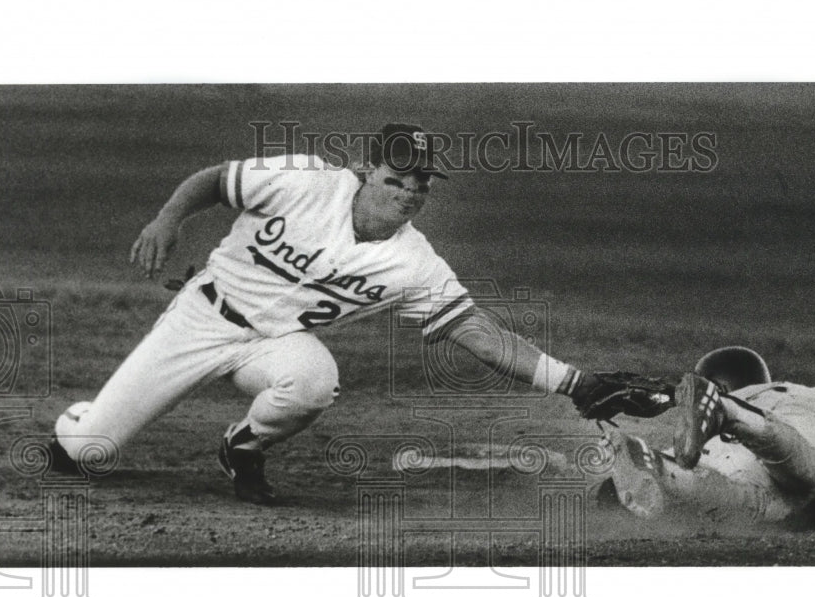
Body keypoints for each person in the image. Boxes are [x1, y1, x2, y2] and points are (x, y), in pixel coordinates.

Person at [52, 123, 598, 504]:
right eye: (396, 178)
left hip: (273, 344)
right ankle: (87, 419)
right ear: (365, 169)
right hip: (201, 318)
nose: (408, 192)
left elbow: (476, 332)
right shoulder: (307, 181)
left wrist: (573, 382)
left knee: (314, 381)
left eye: (421, 183)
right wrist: (167, 219)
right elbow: (217, 180)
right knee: (87, 453)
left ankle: (244, 444)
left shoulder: (415, 263)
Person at [597, 346, 815, 526]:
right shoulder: (804, 394)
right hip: (783, 419)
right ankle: (730, 414)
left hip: (719, 445)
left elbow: (609, 494)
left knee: (738, 496)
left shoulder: (699, 439)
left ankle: (665, 470)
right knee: (805, 471)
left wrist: (615, 489)